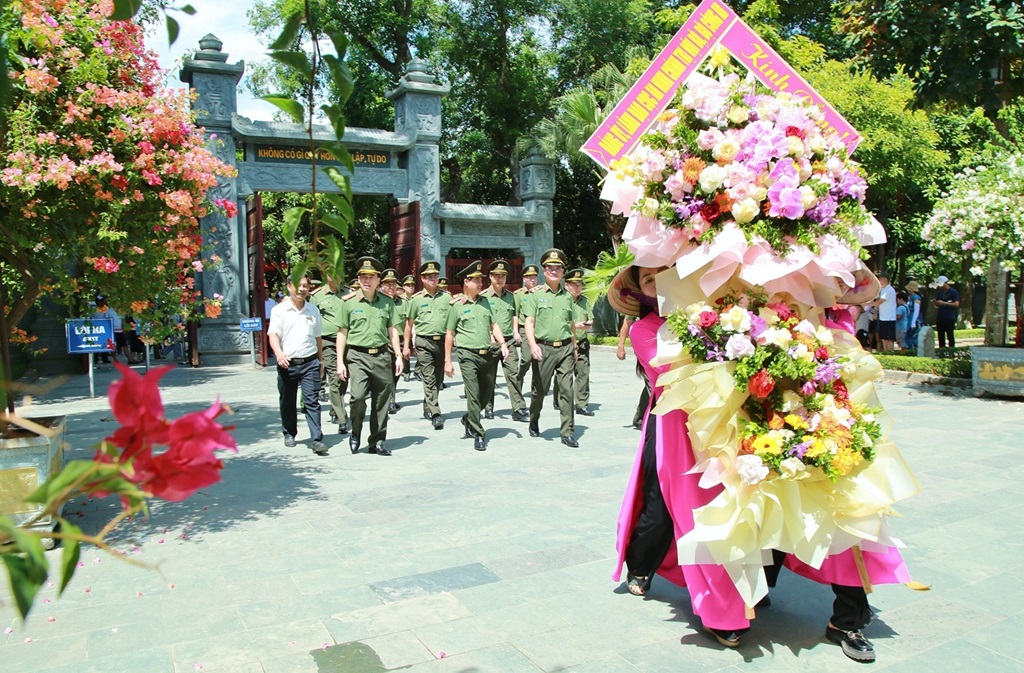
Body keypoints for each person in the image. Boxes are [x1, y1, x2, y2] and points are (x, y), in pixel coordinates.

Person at [337, 257, 404, 456]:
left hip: (382, 356)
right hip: (357, 356)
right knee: (357, 397)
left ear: (378, 280)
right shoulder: (348, 303)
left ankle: (377, 441)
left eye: (371, 277)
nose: (366, 280)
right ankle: (355, 432)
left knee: (382, 400)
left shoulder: (387, 303)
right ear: (358, 279)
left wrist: (398, 355)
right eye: (363, 276)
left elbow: (392, 330)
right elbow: (342, 333)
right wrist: (340, 361)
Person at [444, 260, 510, 450]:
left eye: (481, 280)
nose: (481, 284)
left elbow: (494, 325)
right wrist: (448, 361)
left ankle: (468, 419)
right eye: (476, 280)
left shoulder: (485, 302)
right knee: (473, 395)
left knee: (486, 394)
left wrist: (503, 343)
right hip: (467, 355)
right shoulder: (456, 306)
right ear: (466, 281)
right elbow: (449, 334)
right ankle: (478, 433)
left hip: (486, 355)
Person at [524, 248, 579, 447]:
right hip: (544, 349)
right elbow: (529, 322)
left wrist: (574, 346)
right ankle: (534, 418)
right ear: (544, 271)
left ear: (563, 271)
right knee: (539, 391)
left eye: (558, 268)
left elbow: (571, 323)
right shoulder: (535, 295)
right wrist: (532, 345)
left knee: (567, 390)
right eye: (549, 267)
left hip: (565, 348)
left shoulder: (567, 297)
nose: (553, 271)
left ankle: (567, 432)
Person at [268, 274, 326, 455]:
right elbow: (273, 335)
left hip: (310, 362)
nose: (302, 289)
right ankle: (289, 432)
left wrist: (320, 360)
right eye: (298, 286)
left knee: (312, 401)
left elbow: (318, 338)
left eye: (305, 286)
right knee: (288, 400)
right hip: (288, 363)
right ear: (288, 287)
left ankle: (316, 439)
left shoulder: (313, 310)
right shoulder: (279, 310)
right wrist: (278, 354)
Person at [406, 261, 450, 430]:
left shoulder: (446, 298)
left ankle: (428, 405)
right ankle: (436, 412)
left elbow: (452, 322)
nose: (433, 279)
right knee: (429, 377)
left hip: (441, 342)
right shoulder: (416, 300)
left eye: (435, 276)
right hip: (423, 342)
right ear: (423, 279)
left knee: (438, 379)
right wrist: (407, 346)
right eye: (429, 276)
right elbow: (409, 324)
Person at [480, 259, 525, 421]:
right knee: (489, 377)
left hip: (509, 341)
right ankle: (488, 407)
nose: (500, 279)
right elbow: (481, 318)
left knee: (514, 374)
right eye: (497, 276)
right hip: (490, 343)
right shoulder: (483, 297)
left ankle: (518, 408)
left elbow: (514, 315)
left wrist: (515, 332)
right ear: (490, 277)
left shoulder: (511, 297)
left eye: (503, 276)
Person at [310, 273, 349, 435]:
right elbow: (312, 322)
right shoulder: (317, 296)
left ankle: (335, 409)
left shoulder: (348, 293)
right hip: (327, 343)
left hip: (347, 342)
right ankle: (342, 418)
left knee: (344, 380)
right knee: (334, 378)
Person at [564, 268, 594, 416]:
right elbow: (561, 323)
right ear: (567, 285)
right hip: (566, 342)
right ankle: (563, 401)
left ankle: (581, 404)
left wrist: (588, 324)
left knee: (583, 373)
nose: (578, 288)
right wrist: (575, 326)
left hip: (582, 341)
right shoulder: (562, 300)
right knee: (565, 374)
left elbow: (591, 318)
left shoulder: (584, 301)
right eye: (574, 285)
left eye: (580, 285)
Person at [511, 263, 539, 419]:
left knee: (538, 362)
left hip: (539, 330)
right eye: (529, 277)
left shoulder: (541, 292)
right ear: (524, 279)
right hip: (523, 329)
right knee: (526, 359)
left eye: (534, 277)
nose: (532, 280)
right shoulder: (518, 294)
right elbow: (515, 314)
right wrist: (516, 331)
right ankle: (518, 379)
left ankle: (535, 390)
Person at [378, 268, 405, 415]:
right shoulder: (378, 302)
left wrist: (406, 344)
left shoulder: (403, 302)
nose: (390, 287)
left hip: (398, 342)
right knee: (386, 373)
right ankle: (389, 400)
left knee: (396, 373)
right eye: (387, 284)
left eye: (393, 284)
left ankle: (391, 397)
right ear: (381, 285)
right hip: (383, 342)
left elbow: (408, 323)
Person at [616, 315, 649, 430]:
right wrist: (621, 345)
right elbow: (628, 320)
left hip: (662, 343)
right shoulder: (639, 300)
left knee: (653, 382)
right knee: (651, 380)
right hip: (645, 343)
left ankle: (640, 416)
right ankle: (655, 419)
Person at [866, 271, 896, 351]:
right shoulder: (883, 289)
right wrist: (875, 312)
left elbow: (879, 301)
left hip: (889, 318)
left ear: (885, 279)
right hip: (883, 317)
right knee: (883, 338)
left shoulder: (889, 290)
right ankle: (886, 353)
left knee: (888, 339)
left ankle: (890, 353)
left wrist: (866, 304)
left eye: (880, 279)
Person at [932, 275, 960, 348]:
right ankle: (942, 349)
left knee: (950, 335)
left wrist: (944, 303)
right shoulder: (940, 293)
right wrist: (936, 303)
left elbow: (956, 304)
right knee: (940, 335)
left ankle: (951, 349)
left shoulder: (953, 292)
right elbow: (938, 304)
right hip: (940, 316)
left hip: (949, 317)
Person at [92, 295, 120, 363]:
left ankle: (105, 358)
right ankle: (95, 358)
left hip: (105, 327)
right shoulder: (93, 309)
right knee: (96, 343)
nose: (103, 302)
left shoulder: (106, 308)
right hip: (96, 328)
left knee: (105, 342)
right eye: (102, 301)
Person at [904, 280, 924, 350]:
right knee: (908, 335)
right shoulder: (911, 297)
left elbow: (916, 310)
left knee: (914, 336)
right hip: (910, 317)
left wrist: (913, 322)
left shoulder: (916, 298)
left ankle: (914, 349)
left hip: (915, 319)